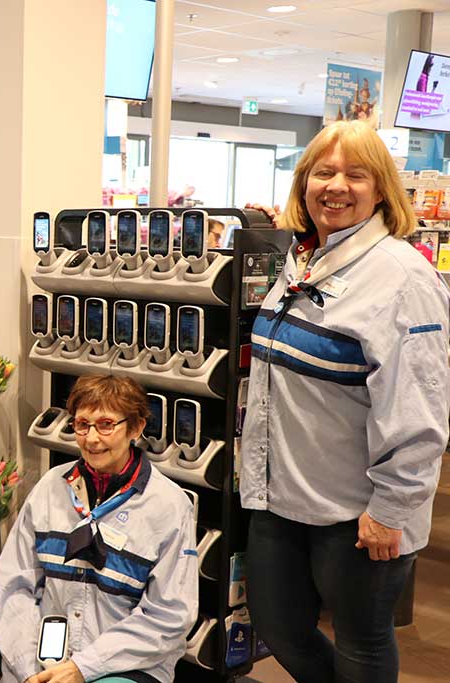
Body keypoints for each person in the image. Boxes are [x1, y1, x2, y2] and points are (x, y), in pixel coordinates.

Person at [241, 120, 450, 683]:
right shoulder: (303, 258)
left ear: (380, 189)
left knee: (361, 642)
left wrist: (391, 509)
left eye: (356, 175)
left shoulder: (403, 277)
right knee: (278, 626)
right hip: (280, 496)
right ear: (303, 183)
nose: (336, 186)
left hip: (358, 510)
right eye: (323, 172)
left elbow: (421, 410)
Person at [0, 375, 197, 683]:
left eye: (105, 425)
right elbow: (16, 586)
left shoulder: (169, 506)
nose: (91, 438)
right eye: (82, 424)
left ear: (136, 427)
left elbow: (168, 616)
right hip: (43, 663)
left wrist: (83, 667)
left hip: (126, 668)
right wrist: (27, 669)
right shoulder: (49, 489)